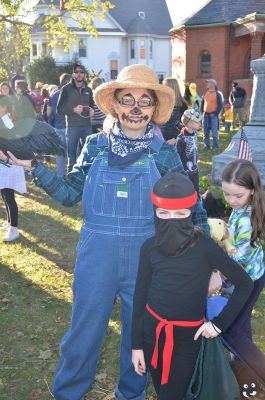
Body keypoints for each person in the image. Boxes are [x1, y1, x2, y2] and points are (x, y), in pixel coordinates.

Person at [0, 64, 209, 400]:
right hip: (96, 255)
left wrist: (206, 259)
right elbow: (70, 194)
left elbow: (193, 205)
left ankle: (131, 393)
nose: (136, 109)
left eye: (145, 101)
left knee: (138, 334)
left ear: (154, 109)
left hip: (147, 258)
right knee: (85, 330)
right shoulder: (96, 146)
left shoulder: (165, 153)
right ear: (116, 106)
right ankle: (68, 392)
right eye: (128, 100)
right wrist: (34, 168)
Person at [131, 172, 253, 400]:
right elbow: (140, 296)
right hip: (152, 333)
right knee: (162, 390)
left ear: (191, 212)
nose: (172, 220)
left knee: (172, 395)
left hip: (188, 337)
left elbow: (244, 284)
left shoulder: (205, 248)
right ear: (155, 212)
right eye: (164, 213)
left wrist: (218, 325)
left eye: (181, 213)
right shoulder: (149, 248)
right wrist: (136, 345)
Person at [221, 159, 265, 385]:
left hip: (246, 280)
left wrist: (218, 261)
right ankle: (246, 376)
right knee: (242, 329)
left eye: (237, 195)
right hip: (250, 277)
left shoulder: (246, 218)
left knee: (232, 331)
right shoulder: (243, 209)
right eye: (227, 194)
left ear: (253, 190)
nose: (231, 200)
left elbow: (241, 257)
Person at [57, 63, 95, 171]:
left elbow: (90, 107)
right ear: (73, 74)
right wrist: (73, 110)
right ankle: (71, 182)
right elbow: (59, 110)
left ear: (85, 75)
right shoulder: (66, 89)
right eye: (76, 72)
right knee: (72, 158)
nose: (79, 74)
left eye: (81, 72)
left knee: (88, 156)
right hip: (72, 127)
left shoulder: (88, 90)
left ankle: (85, 180)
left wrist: (91, 111)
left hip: (87, 127)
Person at [0, 95, 26, 241]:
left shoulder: (6, 122)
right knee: (5, 193)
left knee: (9, 196)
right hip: (5, 163)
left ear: (4, 107)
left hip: (9, 164)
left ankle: (14, 229)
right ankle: (10, 222)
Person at [47, 73, 72, 177]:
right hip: (70, 127)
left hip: (57, 126)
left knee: (60, 154)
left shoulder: (53, 95)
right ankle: (71, 176)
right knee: (71, 153)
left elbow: (48, 113)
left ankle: (61, 176)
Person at [176, 108, 202, 194]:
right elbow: (177, 157)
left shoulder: (195, 134)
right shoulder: (181, 139)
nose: (199, 123)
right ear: (189, 123)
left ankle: (198, 203)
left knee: (196, 190)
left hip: (195, 170)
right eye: (197, 122)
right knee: (186, 191)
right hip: (185, 172)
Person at [201, 78, 223, 152]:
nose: (207, 84)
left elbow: (220, 105)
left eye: (208, 83)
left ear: (213, 84)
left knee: (214, 133)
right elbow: (202, 104)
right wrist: (202, 113)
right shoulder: (205, 93)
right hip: (205, 116)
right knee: (205, 133)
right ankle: (206, 146)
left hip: (213, 116)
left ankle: (215, 147)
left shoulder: (217, 94)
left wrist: (215, 114)